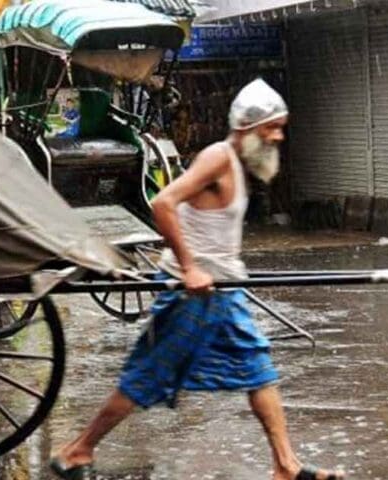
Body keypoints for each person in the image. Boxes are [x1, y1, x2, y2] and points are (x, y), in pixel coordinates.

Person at [50, 79, 344, 480]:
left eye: (280, 127)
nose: (278, 136)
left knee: (259, 369)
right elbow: (163, 203)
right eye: (271, 128)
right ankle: (76, 451)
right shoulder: (218, 158)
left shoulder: (238, 166)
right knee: (146, 377)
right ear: (245, 127)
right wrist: (190, 267)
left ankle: (285, 465)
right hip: (192, 296)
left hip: (223, 291)